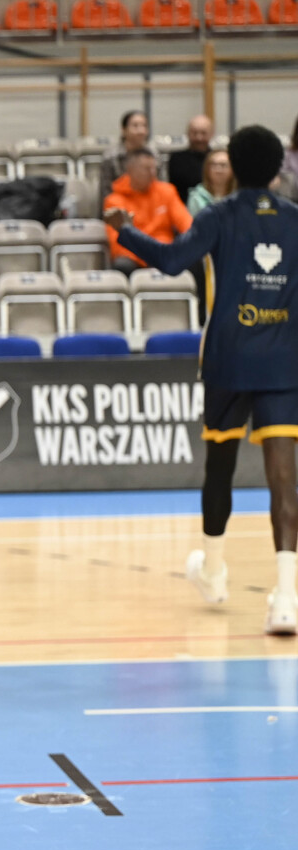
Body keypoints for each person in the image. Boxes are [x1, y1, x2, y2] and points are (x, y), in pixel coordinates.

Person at [105, 124, 298, 635]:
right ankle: (286, 600)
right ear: (277, 169)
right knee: (284, 477)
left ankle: (212, 572)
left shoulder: (217, 215)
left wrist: (125, 230)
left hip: (228, 359)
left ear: (233, 166)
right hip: (283, 361)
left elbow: (171, 261)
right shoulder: (295, 220)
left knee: (220, 467)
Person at [103, 148, 192, 276]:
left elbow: (186, 224)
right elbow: (117, 242)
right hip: (133, 256)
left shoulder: (167, 191)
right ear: (130, 170)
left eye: (154, 168)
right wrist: (148, 256)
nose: (152, 173)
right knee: (121, 265)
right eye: (147, 169)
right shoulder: (114, 201)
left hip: (163, 251)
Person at [98, 109, 163, 203]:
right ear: (124, 130)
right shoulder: (111, 157)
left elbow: (161, 186)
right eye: (135, 126)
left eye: (144, 126)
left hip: (150, 205)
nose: (141, 131)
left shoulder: (154, 154)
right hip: (120, 204)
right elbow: (105, 192)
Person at [168, 114, 214, 204]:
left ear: (211, 134)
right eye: (194, 133)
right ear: (188, 133)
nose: (199, 138)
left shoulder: (217, 159)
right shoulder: (177, 159)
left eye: (203, 133)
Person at [186, 148, 235, 214]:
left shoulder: (239, 195)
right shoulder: (196, 197)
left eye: (223, 165)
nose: (218, 170)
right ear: (207, 169)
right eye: (214, 165)